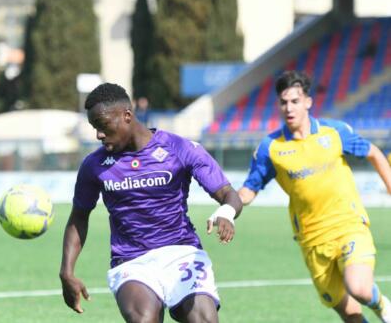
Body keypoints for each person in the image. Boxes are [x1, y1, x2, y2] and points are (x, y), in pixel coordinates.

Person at [59, 83, 243, 322]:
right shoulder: (93, 165)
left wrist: (226, 212)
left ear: (127, 116)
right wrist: (67, 271)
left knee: (204, 319)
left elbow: (229, 194)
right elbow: (79, 217)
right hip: (132, 260)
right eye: (94, 128)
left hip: (182, 252)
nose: (99, 135)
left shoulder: (179, 148)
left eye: (102, 126)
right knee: (144, 319)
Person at [238, 70, 391, 323]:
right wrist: (227, 205)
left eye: (295, 101)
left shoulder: (334, 132)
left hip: (348, 225)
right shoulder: (271, 147)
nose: (289, 108)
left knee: (360, 288)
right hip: (312, 240)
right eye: (283, 102)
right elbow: (249, 189)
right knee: (351, 315)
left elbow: (374, 152)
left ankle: (383, 305)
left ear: (308, 102)